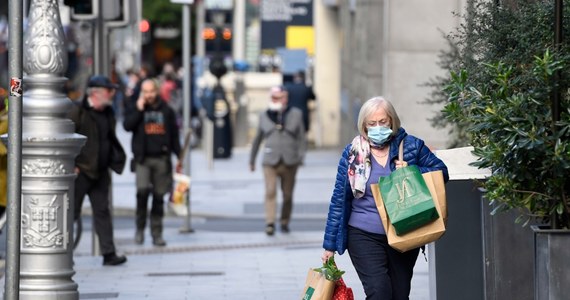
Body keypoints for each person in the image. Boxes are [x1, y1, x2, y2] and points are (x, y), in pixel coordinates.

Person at [321, 96, 448, 299]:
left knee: (399, 294)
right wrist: (329, 245)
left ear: (392, 121)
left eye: (383, 122)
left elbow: (442, 172)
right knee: (378, 291)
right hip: (362, 233)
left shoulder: (411, 146)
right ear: (364, 125)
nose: (378, 127)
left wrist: (415, 170)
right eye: (372, 123)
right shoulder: (353, 154)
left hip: (405, 230)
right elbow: (339, 199)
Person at [68, 75, 127, 266]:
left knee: (102, 211)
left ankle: (108, 253)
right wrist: (72, 165)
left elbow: (109, 138)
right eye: (109, 91)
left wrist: (114, 159)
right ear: (95, 93)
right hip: (81, 171)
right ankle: (64, 254)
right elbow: (67, 139)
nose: (112, 94)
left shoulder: (108, 112)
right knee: (71, 213)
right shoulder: (78, 110)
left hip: (101, 171)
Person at [123, 79, 182, 246]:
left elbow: (174, 136)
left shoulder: (167, 111)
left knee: (158, 197)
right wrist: (139, 110)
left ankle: (157, 233)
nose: (148, 95)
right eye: (145, 92)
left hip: (161, 159)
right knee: (142, 193)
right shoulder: (137, 108)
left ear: (157, 91)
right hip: (143, 159)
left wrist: (179, 156)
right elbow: (127, 126)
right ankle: (139, 229)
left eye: (151, 91)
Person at [249, 86, 306, 236]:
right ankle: (270, 223)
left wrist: (301, 156)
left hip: (290, 160)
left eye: (278, 97)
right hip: (270, 160)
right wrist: (252, 160)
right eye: (273, 97)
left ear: (285, 98)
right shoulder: (264, 115)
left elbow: (301, 137)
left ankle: (284, 221)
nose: (274, 100)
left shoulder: (296, 114)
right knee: (270, 191)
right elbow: (257, 139)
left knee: (287, 194)